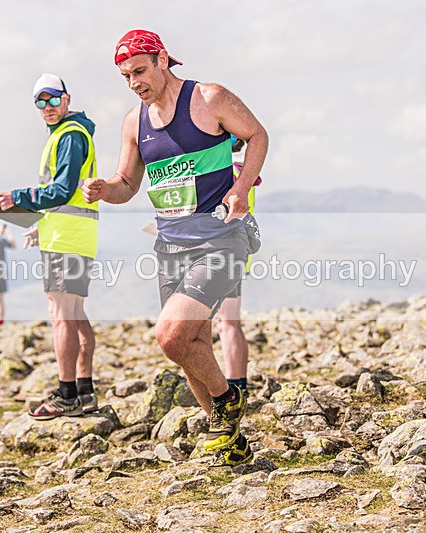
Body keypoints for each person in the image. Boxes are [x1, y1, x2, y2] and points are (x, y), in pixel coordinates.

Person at [82, 30, 268, 466]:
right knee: (193, 345)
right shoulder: (135, 121)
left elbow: (257, 135)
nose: (134, 83)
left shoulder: (209, 97)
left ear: (163, 59)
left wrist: (240, 190)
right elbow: (126, 184)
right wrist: (102, 188)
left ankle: (227, 400)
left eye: (140, 71)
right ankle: (231, 445)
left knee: (170, 336)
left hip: (221, 238)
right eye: (126, 76)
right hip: (170, 245)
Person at [0, 73, 100, 419]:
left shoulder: (69, 136)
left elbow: (62, 190)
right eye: (40, 102)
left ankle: (66, 393)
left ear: (66, 99)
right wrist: (41, 224)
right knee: (75, 314)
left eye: (53, 99)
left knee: (61, 317)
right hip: (73, 235)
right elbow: (65, 198)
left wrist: (17, 198)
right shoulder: (69, 134)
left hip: (66, 240)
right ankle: (84, 391)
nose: (48, 107)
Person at [213, 135, 260, 396]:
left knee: (226, 323)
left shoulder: (224, 171)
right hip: (237, 252)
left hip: (223, 253)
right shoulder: (243, 170)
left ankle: (235, 388)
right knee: (230, 322)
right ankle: (239, 384)